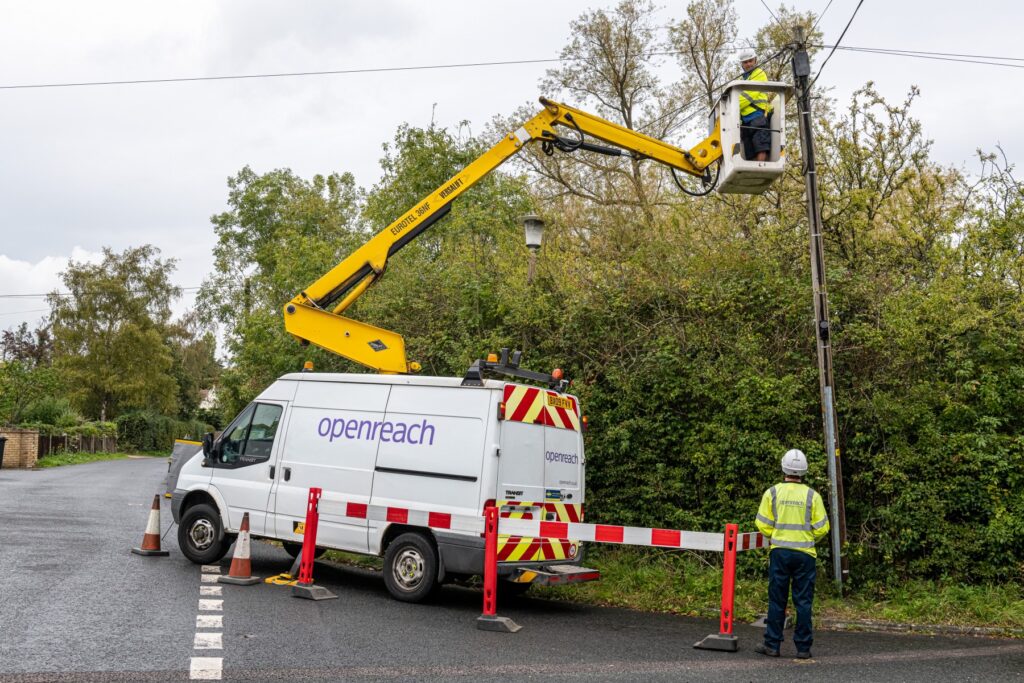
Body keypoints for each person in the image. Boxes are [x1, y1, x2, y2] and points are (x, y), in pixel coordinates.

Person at [753, 448, 830, 659]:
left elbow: (762, 523)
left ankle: (772, 645)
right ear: (803, 471)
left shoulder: (772, 493)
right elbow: (823, 527)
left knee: (777, 600)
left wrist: (775, 535)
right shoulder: (812, 496)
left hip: (780, 553)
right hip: (805, 554)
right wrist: (809, 538)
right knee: (803, 602)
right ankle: (803, 648)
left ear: (783, 467)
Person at [737, 49, 773, 162]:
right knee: (749, 149)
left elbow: (748, 97)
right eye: (745, 62)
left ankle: (760, 166)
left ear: (755, 61)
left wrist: (733, 106)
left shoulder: (759, 74)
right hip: (745, 120)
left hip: (757, 116)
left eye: (750, 61)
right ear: (742, 64)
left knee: (761, 145)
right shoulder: (741, 79)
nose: (748, 64)